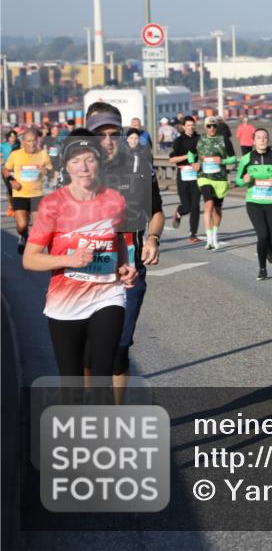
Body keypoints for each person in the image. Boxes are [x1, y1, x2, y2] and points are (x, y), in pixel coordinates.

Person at [22, 131, 138, 382]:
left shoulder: (115, 200)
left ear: (99, 162)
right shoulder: (53, 204)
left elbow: (117, 238)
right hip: (65, 302)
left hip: (108, 295)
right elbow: (30, 259)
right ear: (66, 167)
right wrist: (68, 260)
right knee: (72, 381)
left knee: (102, 375)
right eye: (76, 161)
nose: (83, 167)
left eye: (89, 159)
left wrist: (125, 265)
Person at [85, 104, 164, 402]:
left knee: (119, 348)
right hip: (86, 274)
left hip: (128, 273)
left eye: (113, 133)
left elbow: (156, 212)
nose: (107, 140)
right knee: (89, 349)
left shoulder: (138, 167)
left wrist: (153, 239)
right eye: (99, 134)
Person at [236, 128, 272, 281]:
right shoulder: (247, 159)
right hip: (254, 202)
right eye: (259, 137)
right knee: (262, 235)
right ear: (253, 141)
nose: (262, 140)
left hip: (271, 202)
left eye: (265, 137)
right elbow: (238, 180)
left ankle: (270, 249)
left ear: (268, 139)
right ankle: (262, 269)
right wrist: (243, 181)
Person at [190, 116, 237, 250]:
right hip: (204, 176)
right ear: (205, 127)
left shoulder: (224, 140)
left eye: (214, 126)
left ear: (217, 127)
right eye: (209, 126)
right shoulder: (199, 139)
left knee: (217, 210)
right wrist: (193, 163)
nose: (211, 128)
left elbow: (233, 158)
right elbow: (191, 153)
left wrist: (222, 161)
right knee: (208, 204)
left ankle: (215, 235)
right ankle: (209, 240)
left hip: (220, 178)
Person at [3, 128, 53, 253]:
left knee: (37, 225)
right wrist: (11, 181)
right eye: (29, 141)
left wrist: (46, 171)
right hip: (20, 194)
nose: (32, 144)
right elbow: (5, 170)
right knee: (22, 225)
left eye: (34, 141)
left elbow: (50, 169)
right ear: (23, 142)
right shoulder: (16, 154)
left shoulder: (43, 154)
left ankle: (33, 251)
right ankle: (23, 236)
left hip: (37, 195)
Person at [169, 116, 202, 243]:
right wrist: (185, 156)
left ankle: (193, 234)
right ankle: (179, 210)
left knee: (195, 206)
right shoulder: (179, 140)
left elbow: (204, 155)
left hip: (196, 175)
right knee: (187, 206)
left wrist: (199, 163)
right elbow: (172, 159)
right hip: (183, 175)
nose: (191, 127)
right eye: (188, 125)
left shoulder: (199, 139)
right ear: (183, 127)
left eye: (192, 125)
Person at [2, 130, 18, 215]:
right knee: (10, 189)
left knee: (17, 188)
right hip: (6, 170)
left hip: (17, 171)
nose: (13, 139)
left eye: (14, 137)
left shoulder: (18, 146)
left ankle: (18, 207)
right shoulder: (3, 145)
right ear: (8, 138)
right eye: (11, 137)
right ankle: (10, 207)